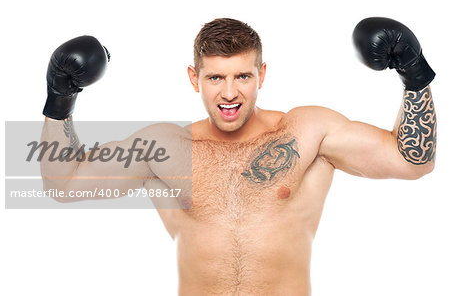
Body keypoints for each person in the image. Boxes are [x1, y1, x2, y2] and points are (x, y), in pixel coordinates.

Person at [40, 17, 436, 295]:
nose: (229, 93)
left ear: (261, 75)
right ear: (195, 78)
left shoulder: (306, 132)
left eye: (242, 76)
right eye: (215, 77)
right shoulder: (165, 147)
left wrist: (414, 75)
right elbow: (63, 183)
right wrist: (61, 100)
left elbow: (413, 161)